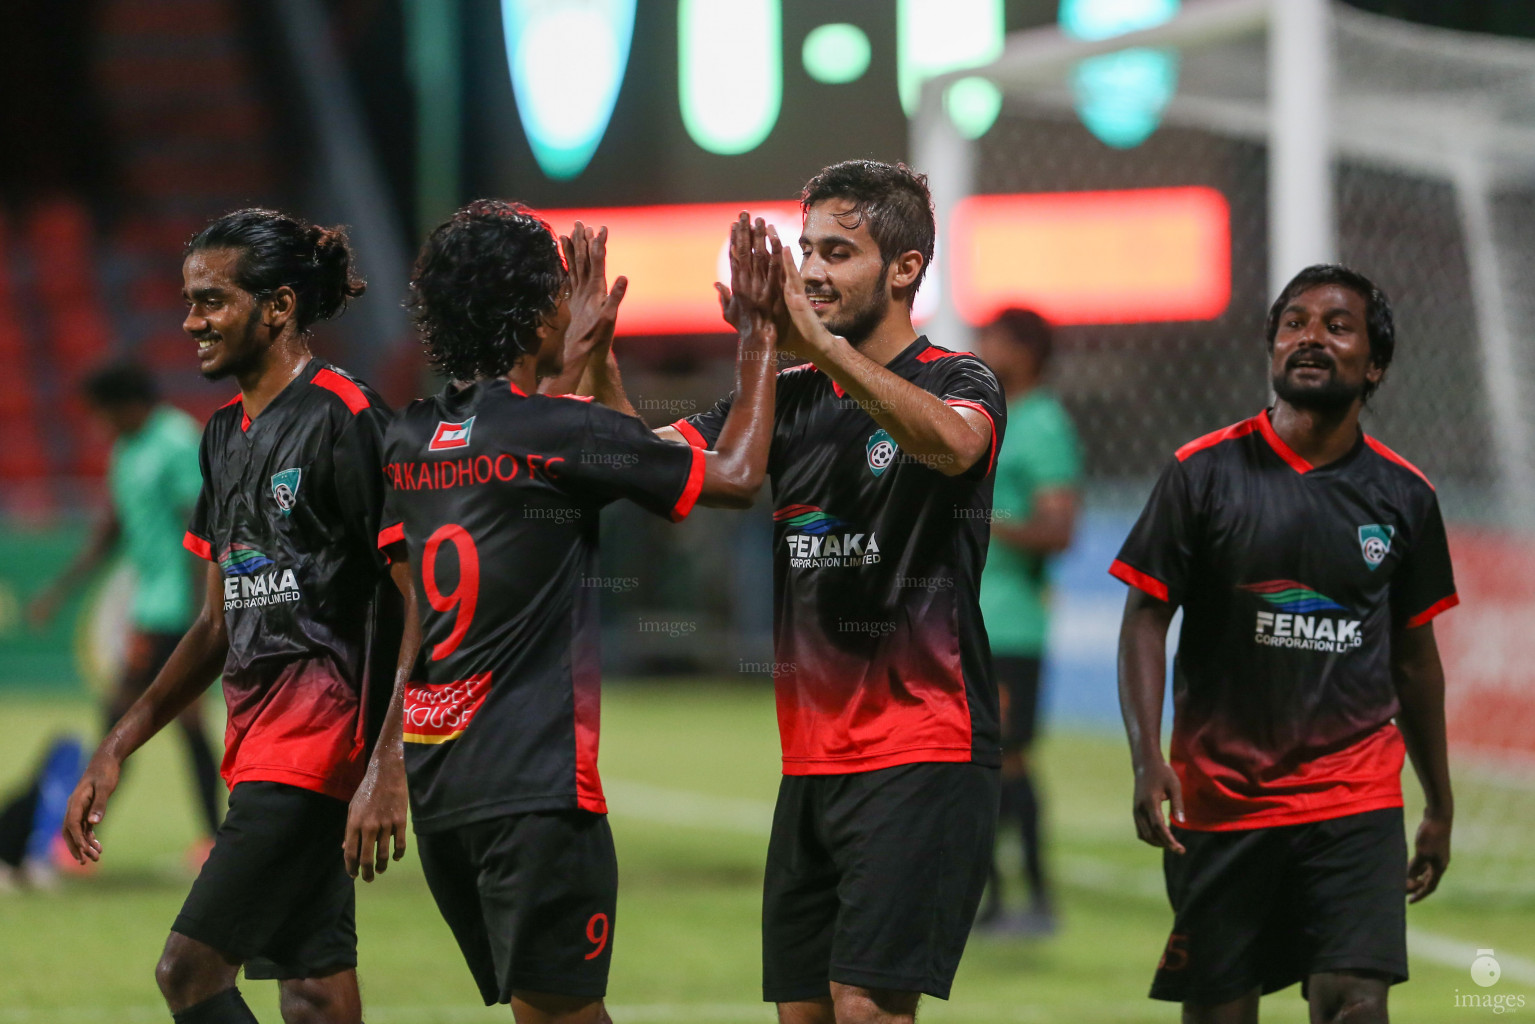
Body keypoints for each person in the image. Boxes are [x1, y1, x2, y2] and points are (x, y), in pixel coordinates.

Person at [569, 159, 1007, 1024]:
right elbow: (644, 467)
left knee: (866, 1009)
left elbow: (953, 449)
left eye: (837, 252)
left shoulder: (959, 380)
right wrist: (599, 363)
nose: (809, 271)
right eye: (805, 249)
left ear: (904, 268)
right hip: (809, 760)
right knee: (803, 1014)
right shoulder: (788, 396)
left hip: (922, 749)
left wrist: (823, 352)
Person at [349, 201, 780, 1024]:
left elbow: (540, 461)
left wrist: (386, 762)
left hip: (445, 793)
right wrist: (760, 333)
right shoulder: (557, 428)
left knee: (546, 1014)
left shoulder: (407, 438)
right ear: (540, 310)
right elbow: (732, 474)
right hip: (535, 791)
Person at [60, 208, 403, 1024]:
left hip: (317, 751)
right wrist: (118, 742)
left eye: (212, 302)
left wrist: (389, 761)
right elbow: (216, 625)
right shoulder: (221, 437)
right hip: (258, 747)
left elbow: (411, 596)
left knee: (188, 972)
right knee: (314, 992)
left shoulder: (347, 417)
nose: (190, 322)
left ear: (278, 307)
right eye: (189, 301)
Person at [1111, 264, 1456, 1024]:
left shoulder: (1405, 497)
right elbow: (1143, 617)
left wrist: (1437, 802)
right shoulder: (1199, 473)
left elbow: (1413, 660)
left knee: (1353, 1003)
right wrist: (1146, 758)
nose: (1309, 337)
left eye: (1336, 326)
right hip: (1221, 800)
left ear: (1374, 365)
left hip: (1353, 796)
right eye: (1293, 323)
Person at [27, 362, 222, 868]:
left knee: (122, 720)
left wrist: (199, 611)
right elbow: (112, 528)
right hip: (150, 609)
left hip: (172, 614)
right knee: (174, 724)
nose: (98, 425)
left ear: (125, 405)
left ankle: (74, 845)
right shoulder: (126, 450)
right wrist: (60, 589)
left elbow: (199, 526)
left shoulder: (176, 440)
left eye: (101, 414)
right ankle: (214, 841)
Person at [974, 308, 1080, 934]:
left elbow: (1060, 529)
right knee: (970, 762)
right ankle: (988, 903)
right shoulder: (988, 417)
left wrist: (983, 520)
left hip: (1013, 628)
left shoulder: (1044, 424)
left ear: (1026, 351)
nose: (984, 347)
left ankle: (1036, 899)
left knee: (1009, 761)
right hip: (967, 622)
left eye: (995, 339)